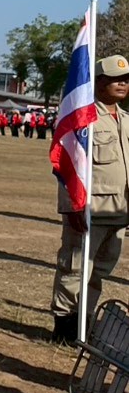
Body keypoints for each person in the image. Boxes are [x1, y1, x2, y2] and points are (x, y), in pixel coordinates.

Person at [50, 54, 129, 343]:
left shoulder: (126, 120)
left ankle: (85, 320)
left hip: (118, 210)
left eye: (126, 79)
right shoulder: (83, 117)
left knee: (99, 271)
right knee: (75, 268)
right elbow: (66, 164)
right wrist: (71, 206)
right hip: (89, 209)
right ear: (98, 82)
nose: (122, 84)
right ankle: (64, 324)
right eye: (114, 79)